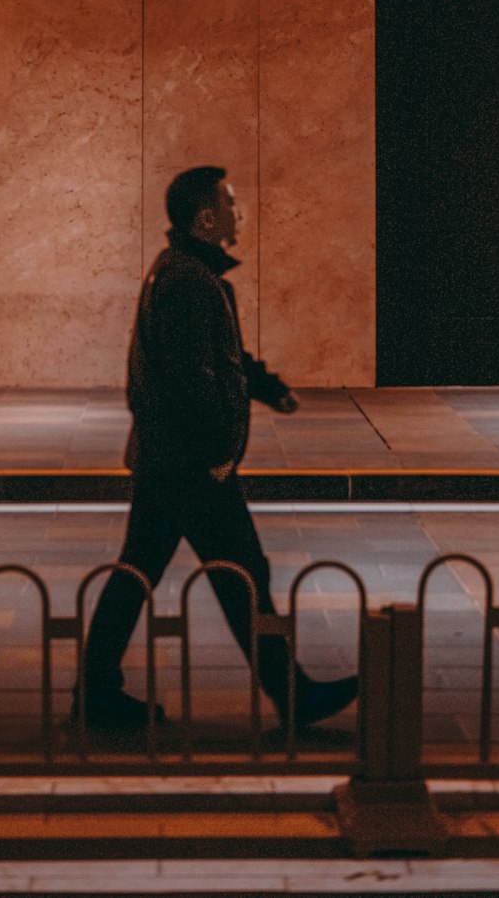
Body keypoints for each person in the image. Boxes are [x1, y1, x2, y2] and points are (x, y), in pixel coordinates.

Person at [75, 165, 358, 732]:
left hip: (167, 458)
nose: (238, 212)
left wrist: (268, 387)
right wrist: (216, 455)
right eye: (229, 203)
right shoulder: (187, 282)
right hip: (187, 463)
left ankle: (98, 693)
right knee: (241, 572)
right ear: (206, 218)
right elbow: (190, 379)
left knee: (145, 569)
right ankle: (292, 694)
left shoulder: (189, 275)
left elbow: (223, 359)